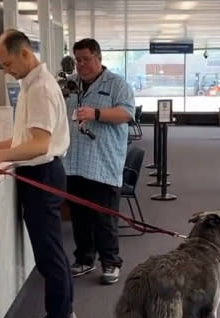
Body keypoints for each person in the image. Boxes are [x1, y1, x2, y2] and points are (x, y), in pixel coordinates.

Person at [0, 29, 75, 318]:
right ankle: (62, 313)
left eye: (7, 63)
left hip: (42, 174)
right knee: (51, 251)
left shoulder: (41, 88)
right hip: (41, 173)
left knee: (49, 254)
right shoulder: (31, 85)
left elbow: (40, 144)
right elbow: (25, 138)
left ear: (25, 54)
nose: (6, 70)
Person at [63, 38, 135, 285]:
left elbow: (126, 113)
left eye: (85, 59)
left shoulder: (117, 84)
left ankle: (110, 262)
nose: (81, 64)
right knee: (80, 217)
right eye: (77, 60)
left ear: (99, 58)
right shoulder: (71, 85)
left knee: (104, 218)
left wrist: (96, 113)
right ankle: (84, 258)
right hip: (75, 163)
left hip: (103, 164)